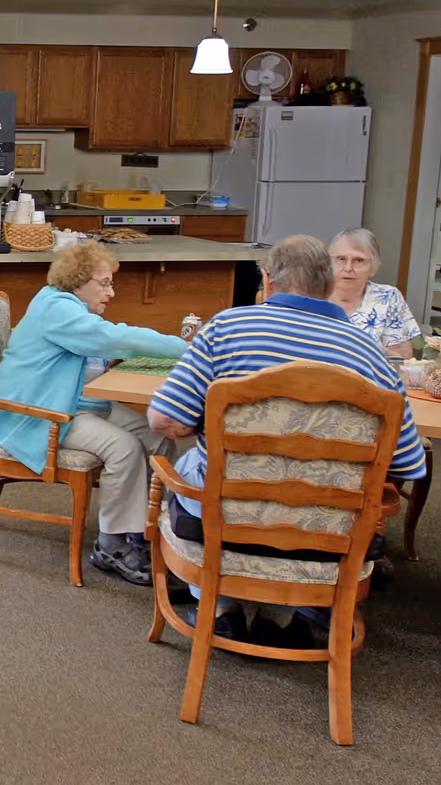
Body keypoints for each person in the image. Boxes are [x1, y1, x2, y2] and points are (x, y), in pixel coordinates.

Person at [149, 235, 426, 641]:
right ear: (330, 283)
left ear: (267, 280)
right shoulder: (372, 354)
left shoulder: (226, 328)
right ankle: (292, 610)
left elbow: (163, 420)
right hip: (329, 531)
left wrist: (205, 425)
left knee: (193, 464)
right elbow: (406, 464)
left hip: (229, 519)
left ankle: (219, 605)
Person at [0, 242, 190, 586]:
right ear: (77, 281)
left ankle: (144, 530)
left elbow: (89, 354)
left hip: (74, 402)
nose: (111, 291)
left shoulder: (68, 309)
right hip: (38, 412)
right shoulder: (56, 309)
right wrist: (185, 348)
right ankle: (111, 547)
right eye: (104, 283)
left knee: (158, 436)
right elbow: (111, 337)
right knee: (123, 448)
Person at [329, 227, 420, 358]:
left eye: (359, 260)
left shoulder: (388, 297)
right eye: (341, 259)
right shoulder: (312, 293)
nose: (348, 268)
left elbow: (402, 360)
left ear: (373, 267)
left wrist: (367, 349)